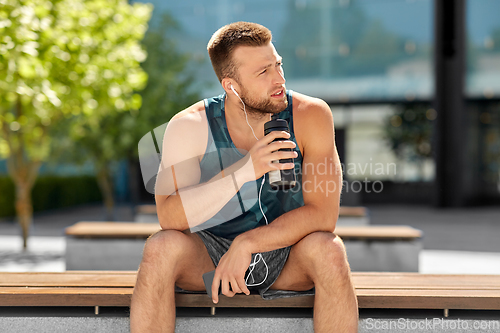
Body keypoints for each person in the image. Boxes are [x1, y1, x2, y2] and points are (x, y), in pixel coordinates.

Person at [130, 21, 358, 332]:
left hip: (289, 257)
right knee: (160, 248)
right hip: (211, 262)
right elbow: (169, 216)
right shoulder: (189, 126)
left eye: (277, 64)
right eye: (263, 72)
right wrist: (244, 172)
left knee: (330, 250)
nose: (279, 79)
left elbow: (323, 214)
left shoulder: (311, 115)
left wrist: (249, 242)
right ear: (231, 86)